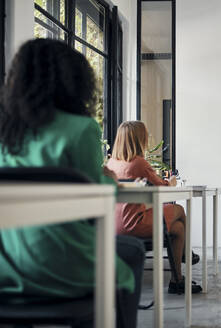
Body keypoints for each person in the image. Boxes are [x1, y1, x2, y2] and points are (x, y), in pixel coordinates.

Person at [0, 39, 144, 328]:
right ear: (74, 80)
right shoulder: (80, 129)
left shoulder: (7, 134)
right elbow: (96, 202)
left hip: (7, 265)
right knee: (132, 251)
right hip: (57, 262)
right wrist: (111, 178)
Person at [107, 121, 202, 294]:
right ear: (138, 139)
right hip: (134, 224)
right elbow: (162, 187)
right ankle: (184, 256)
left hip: (113, 227)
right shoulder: (139, 163)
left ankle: (178, 279)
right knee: (179, 210)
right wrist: (171, 182)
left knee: (178, 229)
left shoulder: (110, 164)